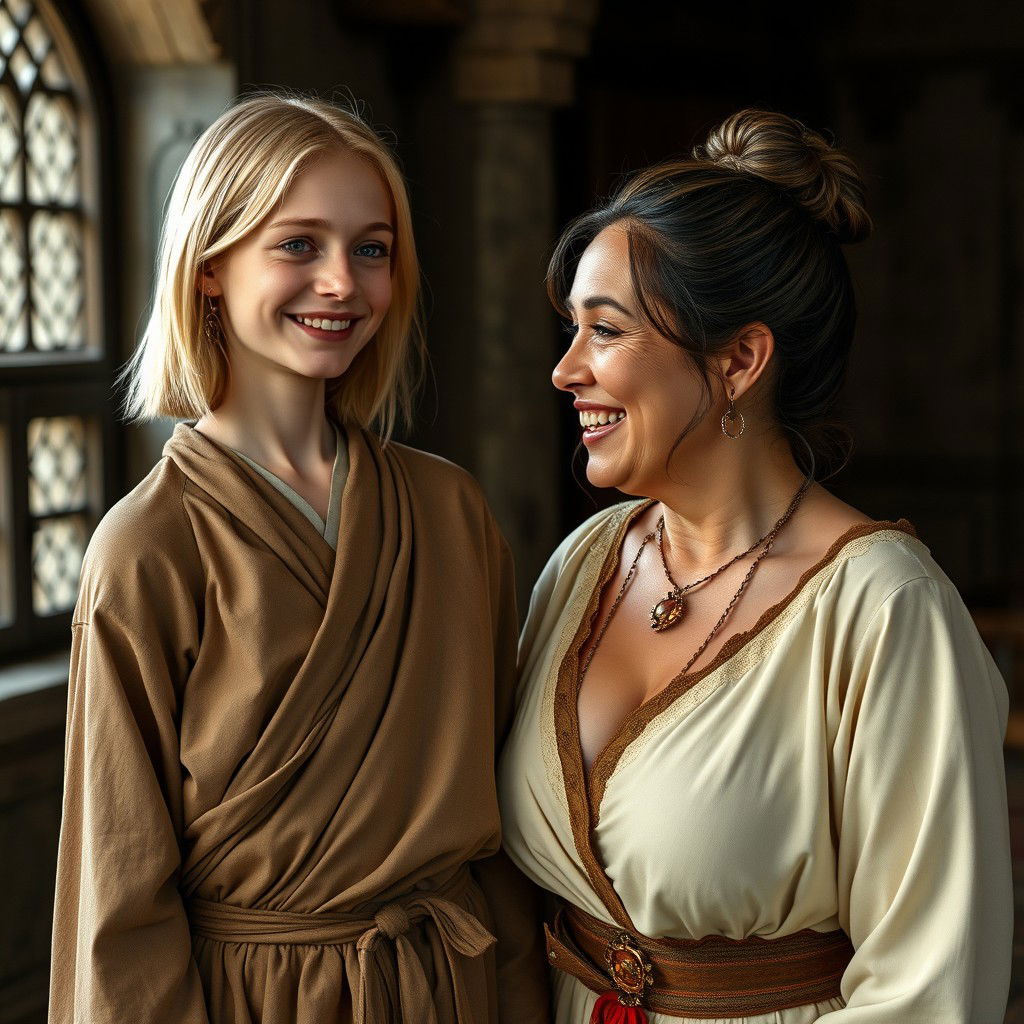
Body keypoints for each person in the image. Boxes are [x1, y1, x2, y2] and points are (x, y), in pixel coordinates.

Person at [497, 109, 1012, 1023]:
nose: (565, 369)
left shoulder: (886, 610)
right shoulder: (585, 563)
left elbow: (931, 987)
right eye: (572, 328)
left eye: (606, 331)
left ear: (739, 359)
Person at [49, 93, 547, 1024]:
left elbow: (507, 833)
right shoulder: (149, 542)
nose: (342, 284)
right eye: (298, 244)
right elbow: (116, 898)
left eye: (372, 248)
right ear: (208, 268)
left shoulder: (449, 511)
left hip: (452, 987)